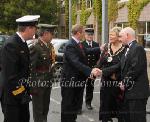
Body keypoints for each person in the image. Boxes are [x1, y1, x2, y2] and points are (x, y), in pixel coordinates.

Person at [1, 15, 40, 122]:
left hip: (20, 94)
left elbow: (24, 70)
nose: (36, 31)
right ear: (28, 29)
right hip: (12, 96)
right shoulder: (11, 44)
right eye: (35, 28)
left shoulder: (21, 42)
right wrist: (23, 91)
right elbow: (11, 77)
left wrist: (27, 89)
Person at [61, 24, 101, 122]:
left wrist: (100, 49)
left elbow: (86, 51)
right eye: (83, 32)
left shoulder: (78, 43)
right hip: (70, 81)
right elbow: (76, 62)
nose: (84, 34)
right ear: (78, 33)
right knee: (68, 106)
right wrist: (90, 70)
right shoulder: (70, 45)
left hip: (77, 80)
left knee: (75, 105)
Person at [118, 27, 149, 122]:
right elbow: (120, 65)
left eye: (121, 36)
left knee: (137, 119)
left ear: (127, 35)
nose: (120, 39)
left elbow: (135, 69)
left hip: (137, 93)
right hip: (130, 92)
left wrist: (124, 83)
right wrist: (103, 71)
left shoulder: (138, 48)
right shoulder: (128, 48)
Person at [96, 27, 125, 122]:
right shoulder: (106, 47)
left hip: (118, 81)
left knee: (119, 105)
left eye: (112, 35)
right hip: (106, 81)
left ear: (118, 36)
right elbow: (101, 61)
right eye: (109, 35)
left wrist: (107, 72)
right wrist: (96, 69)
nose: (110, 36)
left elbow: (121, 65)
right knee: (105, 104)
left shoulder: (125, 48)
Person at [30, 24, 56, 122]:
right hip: (38, 83)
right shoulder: (35, 47)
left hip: (47, 81)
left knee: (45, 107)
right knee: (39, 110)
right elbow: (31, 68)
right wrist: (33, 86)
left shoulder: (49, 46)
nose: (53, 36)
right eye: (51, 34)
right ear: (45, 34)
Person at [82, 28, 100, 110]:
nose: (90, 36)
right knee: (80, 87)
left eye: (91, 35)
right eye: (88, 35)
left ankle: (88, 103)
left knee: (90, 87)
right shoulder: (81, 44)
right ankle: (78, 105)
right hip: (83, 70)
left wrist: (96, 68)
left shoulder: (96, 44)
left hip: (92, 70)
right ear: (85, 35)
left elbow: (98, 58)